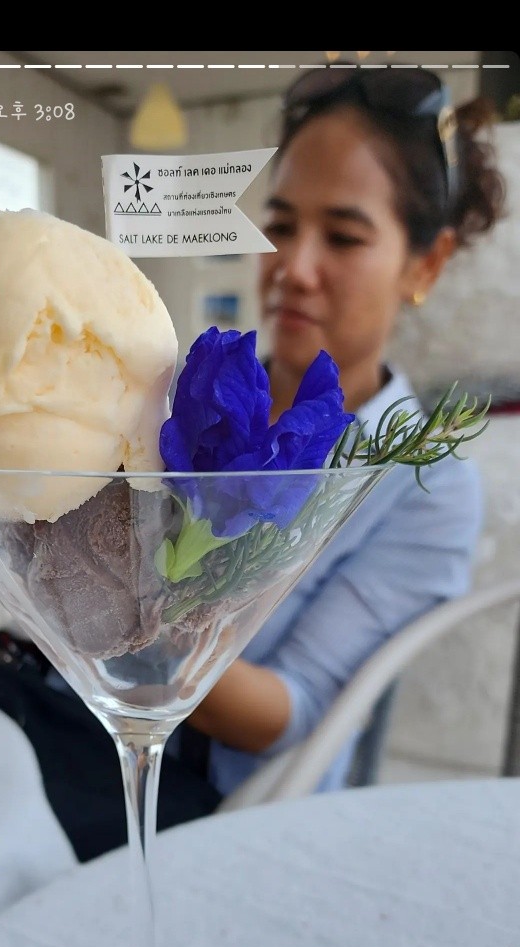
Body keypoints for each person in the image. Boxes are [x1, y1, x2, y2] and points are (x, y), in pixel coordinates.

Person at [184, 67, 506, 797]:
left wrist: (123, 623)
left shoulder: (424, 486)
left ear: (426, 264)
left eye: (343, 236)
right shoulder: (193, 394)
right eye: (280, 226)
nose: (294, 269)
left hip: (203, 796)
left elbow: (287, 712)